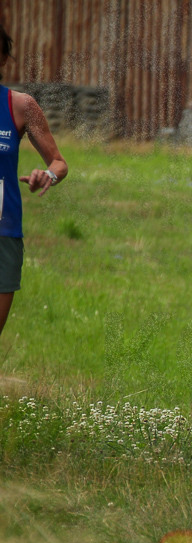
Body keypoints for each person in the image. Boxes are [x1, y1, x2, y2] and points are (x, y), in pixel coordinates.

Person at [0, 25, 68, 339]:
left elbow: (59, 163)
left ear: (3, 59)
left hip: (4, 233)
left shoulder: (21, 105)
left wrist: (48, 175)